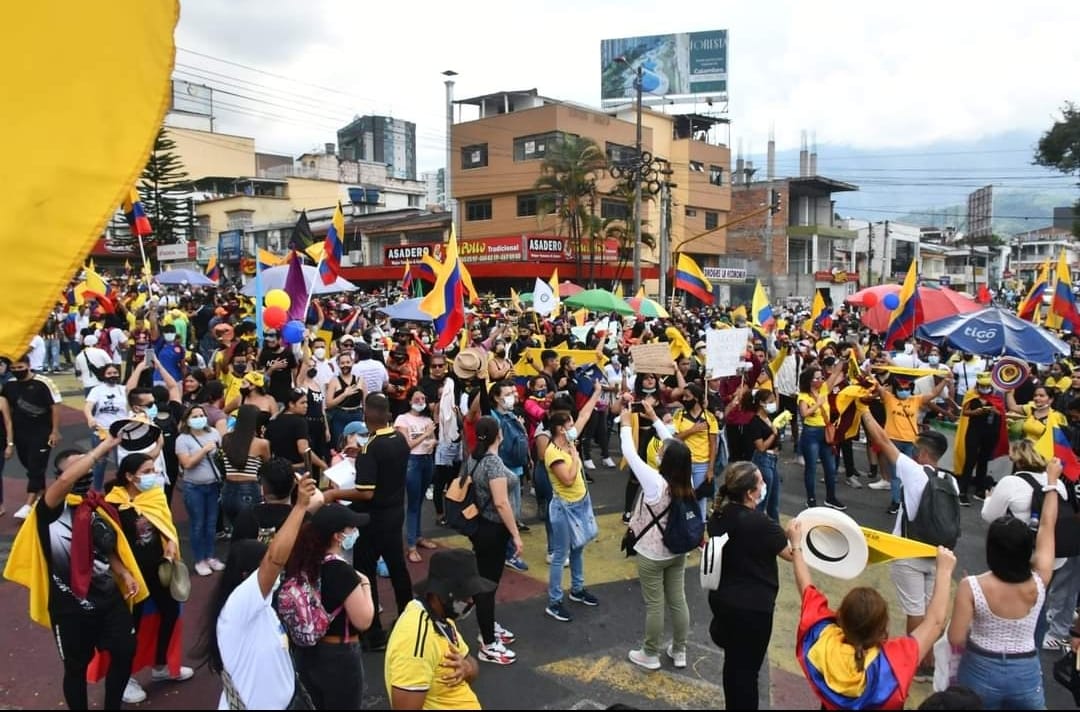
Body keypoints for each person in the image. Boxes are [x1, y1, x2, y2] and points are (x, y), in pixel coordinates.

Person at [3, 437, 141, 710]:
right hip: (70, 608)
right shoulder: (50, 510)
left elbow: (107, 547)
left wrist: (123, 572)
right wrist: (101, 449)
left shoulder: (96, 505)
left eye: (88, 469)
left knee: (125, 652)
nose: (85, 473)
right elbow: (67, 482)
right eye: (78, 468)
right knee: (75, 669)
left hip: (109, 601)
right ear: (60, 476)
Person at [790, 517, 957, 710]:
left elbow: (806, 589)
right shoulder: (895, 661)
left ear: (840, 617)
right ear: (883, 627)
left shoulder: (823, 642)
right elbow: (935, 622)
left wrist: (796, 545)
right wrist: (944, 571)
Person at [192, 474, 324, 710]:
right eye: (261, 569)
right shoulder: (239, 605)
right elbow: (274, 559)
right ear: (245, 576)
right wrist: (300, 507)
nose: (274, 575)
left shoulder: (263, 606)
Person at [947, 457, 1061, 709]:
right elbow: (1047, 525)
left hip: (979, 666)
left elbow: (956, 638)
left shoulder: (972, 587)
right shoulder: (1040, 579)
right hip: (1026, 670)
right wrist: (1051, 481)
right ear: (1025, 550)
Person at [861, 409, 958, 682]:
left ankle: (914, 663)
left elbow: (883, 440)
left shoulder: (914, 472)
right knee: (931, 611)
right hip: (938, 553)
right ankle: (928, 664)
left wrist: (866, 412)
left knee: (914, 611)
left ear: (924, 454)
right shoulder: (951, 481)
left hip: (909, 550)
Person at [104, 452, 193, 703]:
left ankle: (161, 666)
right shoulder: (112, 504)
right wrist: (123, 572)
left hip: (159, 571)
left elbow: (167, 525)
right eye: (146, 471)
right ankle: (125, 677)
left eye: (153, 470)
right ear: (130, 476)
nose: (153, 476)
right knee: (130, 627)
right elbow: (109, 546)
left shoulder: (155, 496)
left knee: (170, 613)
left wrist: (172, 544)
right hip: (131, 577)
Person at [327, 392, 412, 651]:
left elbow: (365, 491)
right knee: (398, 568)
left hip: (372, 518)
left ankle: (373, 632)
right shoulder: (399, 439)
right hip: (396, 512)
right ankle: (410, 617)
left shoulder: (370, 449)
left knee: (365, 571)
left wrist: (333, 493)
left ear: (365, 415)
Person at [707, 461, 792, 708]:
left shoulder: (720, 515)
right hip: (753, 611)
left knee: (733, 667)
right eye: (760, 482)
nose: (764, 484)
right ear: (750, 493)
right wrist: (795, 537)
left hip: (724, 603)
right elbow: (791, 554)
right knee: (748, 674)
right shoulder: (762, 524)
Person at [619, 401, 694, 673]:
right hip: (678, 549)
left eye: (662, 450)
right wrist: (654, 419)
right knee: (678, 598)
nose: (660, 449)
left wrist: (626, 422)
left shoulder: (655, 482)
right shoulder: (686, 478)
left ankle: (650, 653)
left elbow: (629, 452)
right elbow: (677, 447)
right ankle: (680, 649)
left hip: (652, 553)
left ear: (667, 459)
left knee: (654, 604)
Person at [285, 504, 375, 709]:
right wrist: (366, 585)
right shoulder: (341, 571)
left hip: (306, 652)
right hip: (339, 655)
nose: (355, 532)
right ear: (337, 536)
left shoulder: (303, 562)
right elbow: (363, 620)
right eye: (352, 529)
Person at [384, 549, 491, 710]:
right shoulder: (416, 641)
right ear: (440, 593)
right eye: (464, 594)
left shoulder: (443, 619)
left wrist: (467, 669)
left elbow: (471, 665)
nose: (470, 600)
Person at [543, 383, 603, 623]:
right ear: (560, 428)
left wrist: (597, 393)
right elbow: (567, 479)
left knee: (578, 547)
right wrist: (576, 457)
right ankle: (554, 602)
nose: (573, 426)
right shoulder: (553, 452)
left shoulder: (568, 440)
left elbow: (586, 414)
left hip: (579, 503)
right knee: (560, 555)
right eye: (569, 424)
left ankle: (577, 589)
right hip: (563, 508)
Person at [4, 353, 62, 519]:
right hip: (21, 433)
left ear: (28, 365)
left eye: (20, 368)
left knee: (36, 465)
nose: (17, 371)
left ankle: (28, 504)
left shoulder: (43, 382)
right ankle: (43, 497)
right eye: (13, 368)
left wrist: (55, 430)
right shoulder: (9, 385)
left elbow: (55, 406)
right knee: (30, 466)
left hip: (42, 432)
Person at [175, 404, 224, 576]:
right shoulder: (182, 439)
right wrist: (204, 450)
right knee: (198, 524)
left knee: (211, 524)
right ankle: (199, 559)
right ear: (187, 420)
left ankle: (210, 556)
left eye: (201, 415)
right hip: (193, 487)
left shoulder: (214, 433)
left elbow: (221, 455)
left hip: (213, 485)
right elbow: (186, 463)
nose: (199, 419)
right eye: (194, 416)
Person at [395, 387, 438, 563]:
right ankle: (411, 545)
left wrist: (432, 441)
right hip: (412, 461)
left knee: (420, 501)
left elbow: (433, 438)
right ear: (410, 400)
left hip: (427, 460)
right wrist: (425, 435)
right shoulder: (402, 419)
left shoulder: (427, 419)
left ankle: (418, 536)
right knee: (413, 503)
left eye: (423, 399)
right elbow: (406, 445)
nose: (421, 402)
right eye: (417, 398)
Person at [220, 404, 272, 533]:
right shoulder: (261, 443)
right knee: (250, 531)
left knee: (235, 531)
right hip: (249, 488)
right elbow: (267, 464)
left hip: (227, 489)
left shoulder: (226, 439)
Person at [797, 367, 843, 509]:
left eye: (821, 377)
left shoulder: (823, 389)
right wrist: (817, 404)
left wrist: (843, 359)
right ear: (809, 380)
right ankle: (811, 499)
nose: (820, 380)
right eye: (816, 378)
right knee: (811, 468)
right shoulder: (803, 396)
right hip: (810, 433)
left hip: (825, 432)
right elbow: (804, 413)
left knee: (830, 467)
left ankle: (831, 497)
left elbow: (835, 374)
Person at [672, 383, 719, 518]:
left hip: (701, 465)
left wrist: (710, 469)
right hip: (682, 463)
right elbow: (674, 438)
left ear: (697, 398)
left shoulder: (709, 418)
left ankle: (699, 528)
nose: (685, 400)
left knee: (700, 499)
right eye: (684, 397)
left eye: (687, 397)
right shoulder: (679, 415)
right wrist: (693, 430)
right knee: (680, 496)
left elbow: (713, 445)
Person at [743, 388, 782, 522]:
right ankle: (756, 527)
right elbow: (761, 447)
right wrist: (773, 434)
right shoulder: (754, 422)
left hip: (773, 459)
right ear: (761, 403)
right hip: (763, 460)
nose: (773, 404)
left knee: (774, 500)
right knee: (761, 499)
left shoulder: (769, 418)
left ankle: (774, 529)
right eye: (770, 401)